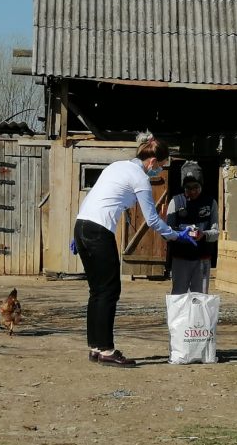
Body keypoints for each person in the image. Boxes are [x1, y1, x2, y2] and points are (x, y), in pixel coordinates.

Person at [73, 132, 197, 367]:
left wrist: (77, 233)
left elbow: (95, 196)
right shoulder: (139, 177)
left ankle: (96, 347)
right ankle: (108, 351)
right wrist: (175, 236)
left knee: (97, 290)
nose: (159, 170)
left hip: (83, 225)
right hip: (99, 231)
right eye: (160, 166)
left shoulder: (116, 167)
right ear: (151, 162)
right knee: (109, 290)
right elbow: (152, 220)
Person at [165, 161, 220, 294]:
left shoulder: (210, 202)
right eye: (188, 188)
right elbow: (167, 231)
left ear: (201, 185)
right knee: (179, 296)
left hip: (202, 258)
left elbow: (216, 232)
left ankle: (199, 316)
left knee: (200, 297)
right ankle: (178, 316)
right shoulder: (176, 202)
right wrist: (181, 235)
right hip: (180, 258)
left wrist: (204, 234)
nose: (192, 191)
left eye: (196, 187)